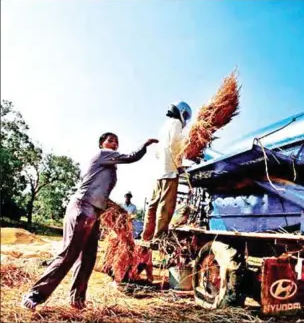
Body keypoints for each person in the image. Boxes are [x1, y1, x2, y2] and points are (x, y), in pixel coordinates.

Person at [21, 132, 158, 311]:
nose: (114, 143)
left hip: (94, 213)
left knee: (88, 257)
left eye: (116, 141)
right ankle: (34, 295)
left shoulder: (109, 165)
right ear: (101, 144)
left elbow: (100, 192)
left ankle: (77, 300)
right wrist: (145, 144)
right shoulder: (103, 155)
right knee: (69, 254)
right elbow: (131, 157)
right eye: (110, 140)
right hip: (82, 208)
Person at [142, 101, 192, 243]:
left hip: (159, 171)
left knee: (153, 204)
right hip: (170, 170)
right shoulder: (176, 123)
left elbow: (159, 152)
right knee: (166, 205)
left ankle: (147, 235)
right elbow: (175, 144)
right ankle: (159, 237)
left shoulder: (163, 126)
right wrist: (179, 164)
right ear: (181, 111)